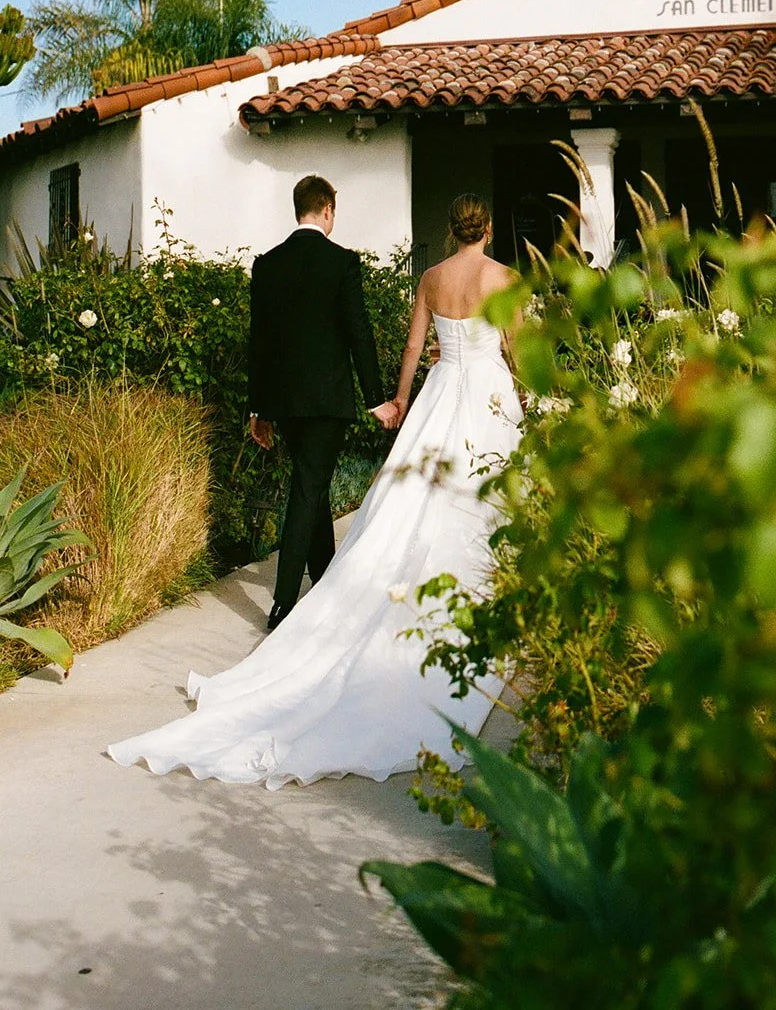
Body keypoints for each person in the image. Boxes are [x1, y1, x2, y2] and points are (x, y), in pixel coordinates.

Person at [107, 193, 522, 787]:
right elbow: (513, 345)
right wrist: (524, 391)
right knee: (476, 497)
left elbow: (411, 347)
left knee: (392, 503)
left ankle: (308, 593)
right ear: (488, 228)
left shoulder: (431, 277)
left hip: (437, 390)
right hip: (483, 396)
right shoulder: (505, 279)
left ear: (452, 228)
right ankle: (480, 590)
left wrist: (402, 400)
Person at [246, 174, 398, 631]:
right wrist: (377, 399)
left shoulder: (267, 265)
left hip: (287, 403)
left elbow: (260, 343)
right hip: (329, 402)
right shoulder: (343, 263)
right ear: (328, 209)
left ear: (299, 210)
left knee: (314, 484)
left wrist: (258, 408)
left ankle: (326, 581)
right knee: (309, 487)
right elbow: (359, 334)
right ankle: (284, 601)